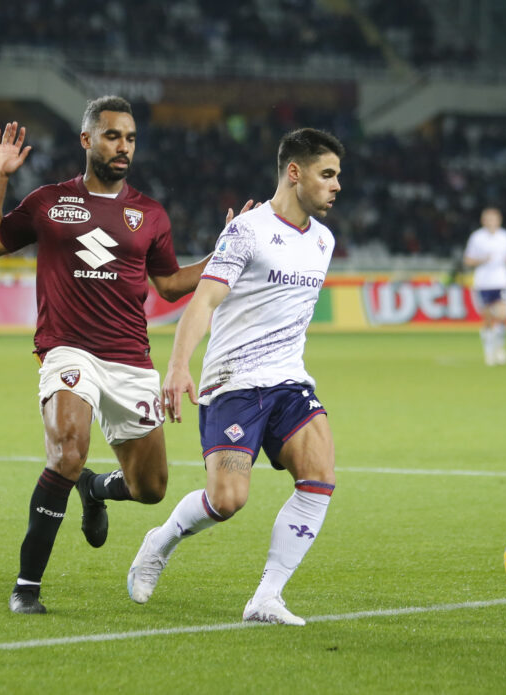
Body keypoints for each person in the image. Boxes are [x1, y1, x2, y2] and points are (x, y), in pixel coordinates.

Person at [0, 96, 252, 614]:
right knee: (67, 451)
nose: (122, 147)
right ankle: (27, 586)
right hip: (67, 350)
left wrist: (223, 253)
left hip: (130, 359)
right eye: (111, 136)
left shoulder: (149, 214)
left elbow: (169, 285)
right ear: (86, 140)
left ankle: (95, 490)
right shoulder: (49, 202)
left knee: (151, 488)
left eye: (129, 138)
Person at [127, 128, 344, 626]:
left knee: (320, 477)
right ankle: (161, 539)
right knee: (227, 500)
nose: (336, 186)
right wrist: (179, 366)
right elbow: (203, 300)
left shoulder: (324, 242)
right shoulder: (245, 231)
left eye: (337, 176)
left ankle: (266, 597)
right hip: (234, 382)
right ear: (295, 173)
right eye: (326, 174)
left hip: (290, 382)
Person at [463, 207, 506, 365]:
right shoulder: (477, 237)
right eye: (488, 219)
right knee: (487, 319)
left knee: (502, 314)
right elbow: (468, 260)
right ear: (483, 221)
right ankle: (488, 351)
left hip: (501, 281)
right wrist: (482, 260)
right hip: (484, 283)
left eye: (494, 219)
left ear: (499, 220)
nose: (492, 222)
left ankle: (500, 348)